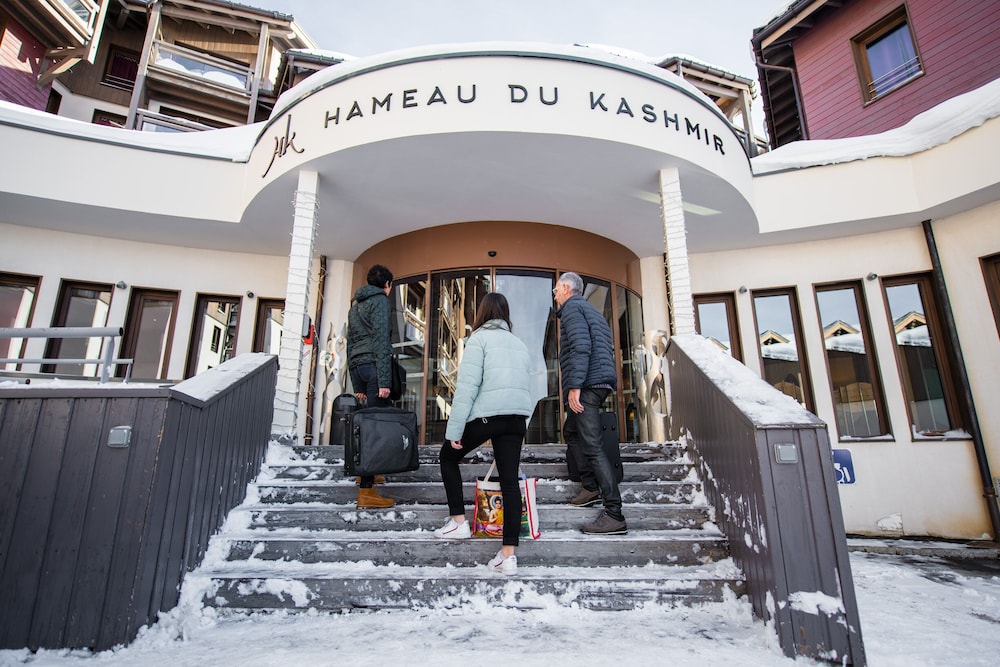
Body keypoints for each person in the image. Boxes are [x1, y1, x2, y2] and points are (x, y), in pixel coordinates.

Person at [433, 292, 535, 575]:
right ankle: (508, 556)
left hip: (489, 417)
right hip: (516, 419)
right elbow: (526, 385)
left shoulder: (478, 339)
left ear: (483, 313)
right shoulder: (519, 344)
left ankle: (458, 522)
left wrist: (455, 430)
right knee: (510, 482)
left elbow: (467, 388)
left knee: (447, 456)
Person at [553, 271, 627, 535]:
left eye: (556, 289)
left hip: (587, 384)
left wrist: (575, 386)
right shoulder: (589, 310)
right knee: (572, 432)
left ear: (565, 289)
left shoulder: (572, 309)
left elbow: (581, 347)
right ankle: (590, 487)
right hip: (598, 381)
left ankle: (614, 513)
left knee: (593, 447)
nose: (554, 293)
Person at [346, 264, 397, 509]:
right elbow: (381, 340)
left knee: (368, 424)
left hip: (359, 367)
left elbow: (350, 343)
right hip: (375, 366)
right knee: (374, 428)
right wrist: (384, 381)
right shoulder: (381, 301)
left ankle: (368, 472)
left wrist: (356, 382)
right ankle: (366, 491)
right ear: (387, 284)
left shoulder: (355, 305)